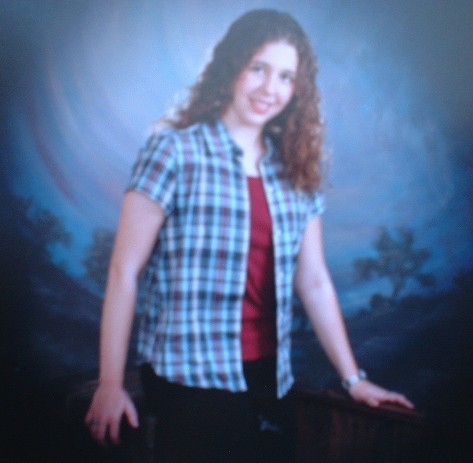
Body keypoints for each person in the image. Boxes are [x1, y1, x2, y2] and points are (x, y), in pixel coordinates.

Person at [85, 8, 414, 462]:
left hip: (269, 377)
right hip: (188, 373)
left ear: (297, 89)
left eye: (285, 76)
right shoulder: (174, 151)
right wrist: (109, 383)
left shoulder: (295, 170)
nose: (269, 88)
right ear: (232, 66)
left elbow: (314, 280)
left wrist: (354, 380)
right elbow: (124, 271)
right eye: (258, 68)